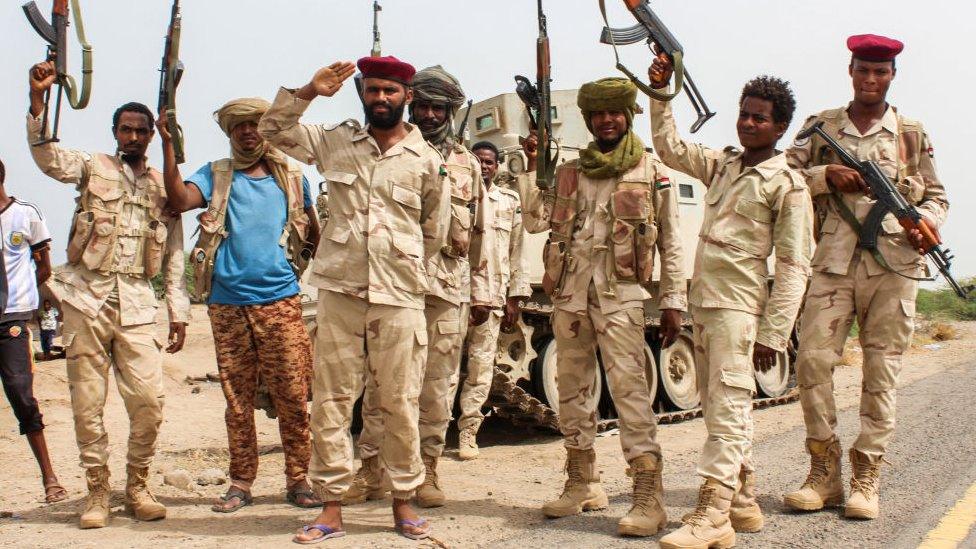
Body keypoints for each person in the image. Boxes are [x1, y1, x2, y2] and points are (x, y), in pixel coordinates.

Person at [259, 56, 449, 543]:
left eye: (390, 91)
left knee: (400, 401)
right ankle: (331, 508)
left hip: (401, 293)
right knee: (333, 401)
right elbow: (273, 129)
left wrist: (400, 267)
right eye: (373, 90)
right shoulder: (335, 141)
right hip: (341, 290)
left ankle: (404, 501)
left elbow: (435, 230)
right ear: (362, 93)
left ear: (408, 96)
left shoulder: (427, 159)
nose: (380, 99)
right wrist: (308, 89)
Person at [648, 54, 815, 548]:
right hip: (706, 306)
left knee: (727, 414)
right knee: (721, 407)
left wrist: (774, 333)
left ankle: (713, 514)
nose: (747, 123)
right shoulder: (724, 165)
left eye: (759, 117)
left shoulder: (788, 185)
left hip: (740, 314)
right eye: (743, 113)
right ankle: (742, 502)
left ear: (780, 126)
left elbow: (793, 267)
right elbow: (671, 147)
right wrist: (661, 93)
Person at [783, 34, 948, 520]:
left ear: (892, 76)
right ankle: (823, 472)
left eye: (880, 72)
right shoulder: (820, 127)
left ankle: (866, 477)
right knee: (811, 364)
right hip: (833, 263)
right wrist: (823, 176)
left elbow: (938, 194)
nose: (871, 79)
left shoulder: (910, 132)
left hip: (895, 267)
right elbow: (782, 176)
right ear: (850, 71)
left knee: (881, 375)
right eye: (863, 70)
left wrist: (928, 223)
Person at [518, 77, 686, 537]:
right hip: (572, 296)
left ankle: (648, 498)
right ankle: (583, 482)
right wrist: (534, 166)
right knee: (571, 391)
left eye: (614, 113)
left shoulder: (651, 171)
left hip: (622, 299)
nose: (606, 121)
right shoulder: (571, 172)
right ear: (589, 120)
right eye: (598, 114)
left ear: (627, 116)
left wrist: (673, 301)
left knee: (631, 394)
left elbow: (670, 242)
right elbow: (534, 220)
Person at [27, 60, 190, 529]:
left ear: (151, 136)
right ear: (115, 132)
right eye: (126, 129)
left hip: (138, 302)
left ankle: (137, 483)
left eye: (141, 131)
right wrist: (39, 101)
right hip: (86, 297)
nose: (134, 137)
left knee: (149, 401)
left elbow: (175, 252)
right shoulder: (91, 167)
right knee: (87, 402)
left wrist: (179, 310)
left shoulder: (165, 186)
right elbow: (47, 157)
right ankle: (97, 491)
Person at [157, 97, 322, 513]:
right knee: (237, 399)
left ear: (268, 129)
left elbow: (314, 233)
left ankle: (299, 478)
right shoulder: (216, 175)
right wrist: (168, 146)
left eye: (256, 125)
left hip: (281, 301)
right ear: (230, 134)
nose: (248, 132)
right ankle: (241, 481)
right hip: (227, 304)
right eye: (239, 127)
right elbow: (178, 199)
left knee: (293, 394)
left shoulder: (292, 177)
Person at [344, 65, 484, 509]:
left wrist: (483, 292)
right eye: (420, 104)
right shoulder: (383, 151)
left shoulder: (466, 165)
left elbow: (479, 237)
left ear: (449, 111)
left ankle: (428, 472)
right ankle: (371, 472)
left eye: (436, 107)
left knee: (436, 388)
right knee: (380, 384)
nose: (427, 114)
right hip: (390, 287)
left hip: (443, 292)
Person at [0, 158, 66, 504]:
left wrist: (27, 301)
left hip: (10, 320)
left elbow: (43, 266)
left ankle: (50, 478)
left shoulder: (24, 214)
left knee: (20, 393)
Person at [460, 140, 530, 459]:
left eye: (489, 161)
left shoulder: (509, 201)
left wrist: (516, 295)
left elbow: (518, 250)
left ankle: (468, 432)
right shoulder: (457, 194)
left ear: (497, 166)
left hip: (494, 295)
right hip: (456, 294)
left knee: (480, 366)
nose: (484, 165)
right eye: (478, 160)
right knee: (441, 368)